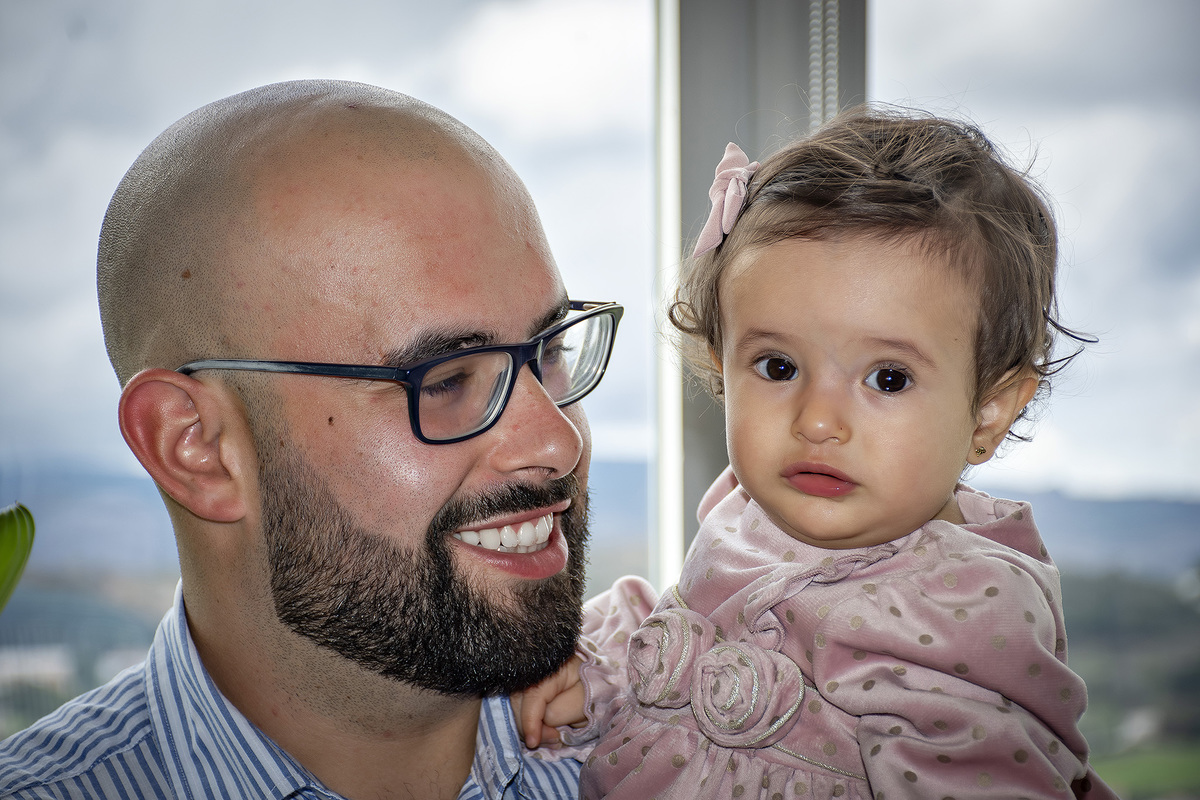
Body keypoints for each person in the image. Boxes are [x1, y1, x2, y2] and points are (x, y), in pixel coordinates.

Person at [0, 79, 623, 799]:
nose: (556, 441)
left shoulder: (685, 750)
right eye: (445, 380)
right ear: (196, 448)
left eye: (551, 349)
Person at [515, 107, 1117, 799]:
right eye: (778, 367)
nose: (818, 421)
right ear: (721, 365)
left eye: (887, 379)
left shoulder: (965, 607)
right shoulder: (745, 510)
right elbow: (696, 628)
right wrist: (601, 672)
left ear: (989, 410)